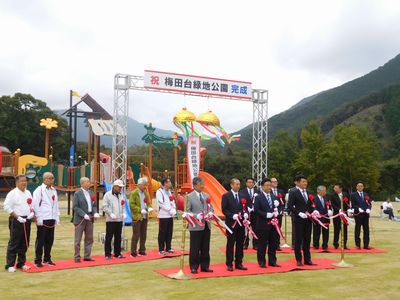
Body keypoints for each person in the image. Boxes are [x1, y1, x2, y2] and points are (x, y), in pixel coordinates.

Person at [4, 175, 34, 272]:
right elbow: (7, 207)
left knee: (25, 242)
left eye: (25, 181)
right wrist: (17, 217)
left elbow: (31, 205)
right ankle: (10, 265)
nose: (24, 183)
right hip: (16, 219)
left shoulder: (28, 192)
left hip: (27, 219)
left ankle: (21, 263)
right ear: (17, 183)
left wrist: (31, 213)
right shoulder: (12, 193)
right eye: (22, 181)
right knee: (14, 242)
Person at [32, 172, 60, 267]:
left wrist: (57, 217)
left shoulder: (54, 190)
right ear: (44, 180)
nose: (52, 180)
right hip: (43, 218)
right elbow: (35, 205)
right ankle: (38, 260)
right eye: (50, 178)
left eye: (53, 178)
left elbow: (56, 204)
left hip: (51, 218)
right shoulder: (39, 190)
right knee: (40, 240)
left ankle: (47, 259)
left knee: (49, 240)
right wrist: (38, 218)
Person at [187, 176, 214, 274]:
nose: (203, 186)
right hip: (195, 226)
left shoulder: (206, 195)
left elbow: (211, 208)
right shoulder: (189, 196)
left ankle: (205, 266)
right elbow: (187, 211)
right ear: (195, 185)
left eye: (203, 184)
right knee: (195, 247)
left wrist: (211, 213)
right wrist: (196, 215)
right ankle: (194, 267)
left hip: (206, 225)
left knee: (205, 247)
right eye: (200, 184)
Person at [287, 174, 316, 266]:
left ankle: (308, 259)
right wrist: (299, 213)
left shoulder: (309, 192)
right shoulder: (293, 192)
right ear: (298, 182)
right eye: (303, 182)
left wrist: (314, 211)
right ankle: (299, 259)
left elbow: (312, 204)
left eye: (306, 182)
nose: (305, 183)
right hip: (298, 219)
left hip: (308, 219)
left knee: (307, 239)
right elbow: (290, 206)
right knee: (298, 240)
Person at [254, 178, 281, 268]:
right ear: (262, 187)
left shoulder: (274, 197)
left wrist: (278, 212)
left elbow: (280, 206)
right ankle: (261, 261)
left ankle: (272, 261)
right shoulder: (258, 197)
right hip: (263, 224)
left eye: (270, 185)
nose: (269, 187)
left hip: (274, 224)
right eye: (267, 185)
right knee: (262, 244)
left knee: (273, 243)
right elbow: (256, 210)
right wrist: (266, 214)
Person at [222, 178, 248, 271]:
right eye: (236, 184)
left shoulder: (242, 195)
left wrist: (246, 214)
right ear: (231, 185)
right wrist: (232, 215)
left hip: (241, 224)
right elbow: (224, 209)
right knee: (230, 244)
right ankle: (229, 263)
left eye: (239, 184)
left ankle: (239, 263)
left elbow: (245, 207)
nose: (238, 186)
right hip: (231, 224)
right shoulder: (226, 196)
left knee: (240, 244)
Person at [72, 177, 100, 262]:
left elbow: (94, 205)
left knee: (89, 238)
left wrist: (95, 212)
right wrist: (83, 214)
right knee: (78, 239)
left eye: (89, 182)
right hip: (80, 219)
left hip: (90, 219)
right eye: (87, 182)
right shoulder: (77, 193)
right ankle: (77, 257)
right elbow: (75, 207)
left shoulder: (91, 193)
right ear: (82, 183)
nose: (89, 183)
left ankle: (87, 256)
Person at [129, 177, 153, 257]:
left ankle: (142, 250)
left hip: (145, 216)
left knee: (143, 234)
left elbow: (148, 202)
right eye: (144, 185)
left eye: (146, 185)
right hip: (137, 217)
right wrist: (140, 209)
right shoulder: (134, 193)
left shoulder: (145, 193)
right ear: (139, 185)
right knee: (136, 234)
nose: (145, 186)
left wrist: (149, 207)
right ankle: (133, 252)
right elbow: (131, 205)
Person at [102, 179, 126, 259]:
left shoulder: (121, 195)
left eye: (121, 187)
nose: (120, 188)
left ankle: (117, 253)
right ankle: (108, 254)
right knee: (109, 237)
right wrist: (110, 213)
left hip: (119, 220)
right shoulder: (107, 195)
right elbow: (104, 206)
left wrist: (123, 213)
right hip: (110, 220)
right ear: (115, 187)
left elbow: (123, 205)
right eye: (119, 187)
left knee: (118, 237)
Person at [156, 178, 176, 255]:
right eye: (168, 182)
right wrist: (168, 209)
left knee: (169, 232)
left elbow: (172, 201)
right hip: (163, 215)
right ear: (164, 183)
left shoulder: (169, 192)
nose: (170, 183)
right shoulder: (159, 191)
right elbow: (160, 203)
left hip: (170, 215)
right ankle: (161, 248)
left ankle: (168, 247)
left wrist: (173, 209)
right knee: (162, 232)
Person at [239, 177, 260, 250]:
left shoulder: (258, 191)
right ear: (246, 183)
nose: (250, 183)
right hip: (246, 213)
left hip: (255, 213)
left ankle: (256, 244)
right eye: (249, 182)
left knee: (256, 228)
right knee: (245, 228)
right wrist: (246, 208)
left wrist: (255, 208)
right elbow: (240, 202)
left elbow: (260, 202)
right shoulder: (242, 192)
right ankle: (245, 243)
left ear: (254, 183)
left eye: (252, 182)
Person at [351, 181, 372, 250]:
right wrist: (358, 208)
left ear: (363, 187)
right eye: (358, 186)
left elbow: (369, 203)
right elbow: (353, 205)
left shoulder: (366, 194)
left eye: (361, 186)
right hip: (358, 214)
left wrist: (369, 208)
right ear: (356, 187)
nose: (360, 187)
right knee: (358, 229)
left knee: (366, 229)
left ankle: (366, 245)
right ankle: (358, 245)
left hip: (365, 214)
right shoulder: (353, 195)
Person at [312, 185, 332, 251]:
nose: (325, 192)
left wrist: (330, 211)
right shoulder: (314, 199)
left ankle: (325, 245)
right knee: (316, 231)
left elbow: (329, 206)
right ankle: (316, 244)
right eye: (324, 190)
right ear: (320, 191)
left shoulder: (327, 198)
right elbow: (312, 207)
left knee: (326, 232)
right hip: (317, 218)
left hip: (326, 217)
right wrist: (315, 211)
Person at [331, 183, 350, 249]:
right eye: (334, 188)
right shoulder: (332, 195)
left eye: (336, 188)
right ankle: (335, 244)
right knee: (336, 230)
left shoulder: (345, 194)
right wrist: (338, 210)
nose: (334, 189)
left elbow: (347, 203)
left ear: (340, 188)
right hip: (337, 215)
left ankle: (344, 244)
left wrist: (349, 209)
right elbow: (333, 205)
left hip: (344, 214)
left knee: (344, 230)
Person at [270, 177, 285, 250]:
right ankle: (270, 244)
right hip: (271, 214)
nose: (275, 183)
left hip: (279, 214)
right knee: (271, 230)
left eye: (276, 181)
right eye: (273, 182)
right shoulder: (268, 191)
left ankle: (277, 245)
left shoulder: (280, 191)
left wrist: (281, 210)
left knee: (278, 229)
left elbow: (283, 203)